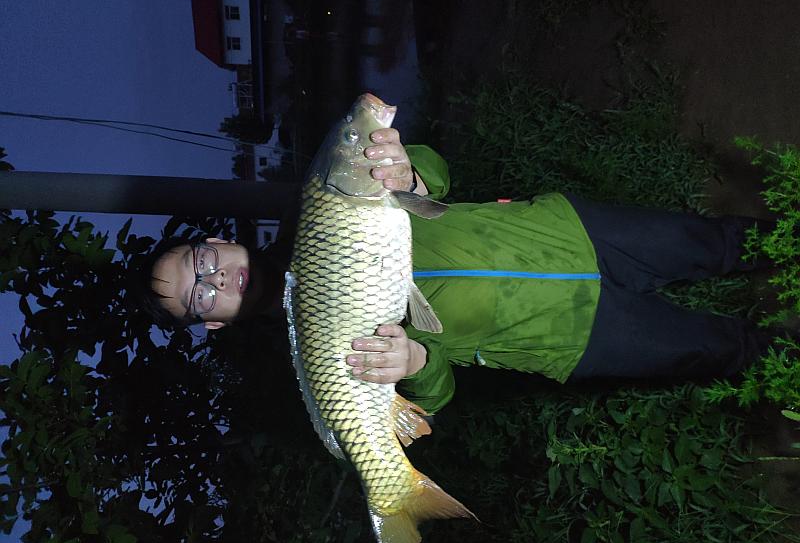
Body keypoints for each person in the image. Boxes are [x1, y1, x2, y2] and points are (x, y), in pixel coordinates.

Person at [135, 128, 787, 415]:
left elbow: (436, 177)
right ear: (215, 324)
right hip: (566, 339)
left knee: (719, 242)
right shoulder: (322, 363)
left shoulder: (323, 207)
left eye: (201, 263)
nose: (215, 280)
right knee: (726, 349)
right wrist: (416, 363)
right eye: (201, 297)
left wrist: (405, 172)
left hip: (565, 232)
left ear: (218, 241)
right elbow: (438, 396)